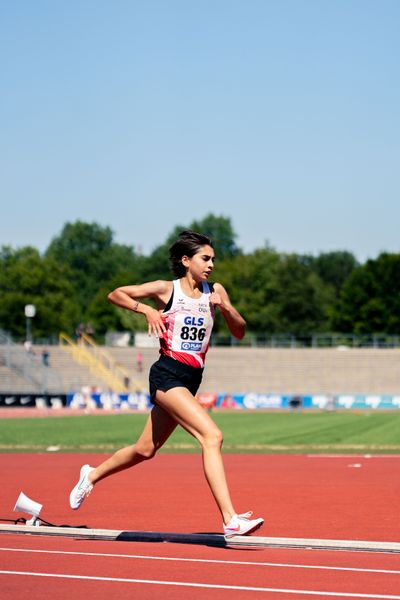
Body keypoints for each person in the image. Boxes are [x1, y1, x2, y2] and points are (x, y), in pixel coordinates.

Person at [69, 230, 264, 537]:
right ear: (186, 261)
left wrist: (225, 307)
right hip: (167, 375)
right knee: (212, 436)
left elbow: (239, 331)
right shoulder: (165, 289)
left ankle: (91, 475)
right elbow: (116, 294)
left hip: (191, 380)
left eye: (213, 259)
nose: (211, 264)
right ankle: (230, 519)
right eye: (205, 258)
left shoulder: (216, 291)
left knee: (145, 450)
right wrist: (145, 308)